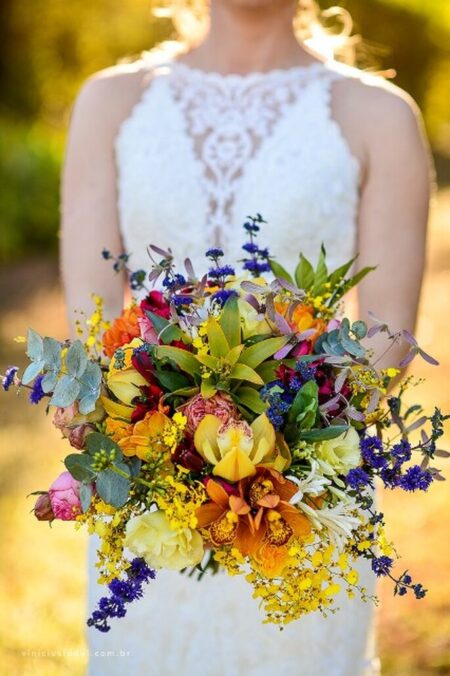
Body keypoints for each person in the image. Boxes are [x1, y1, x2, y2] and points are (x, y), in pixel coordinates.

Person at [60, 1, 433, 674]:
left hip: (301, 504)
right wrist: (169, 454)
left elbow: (390, 337)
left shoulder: (380, 116)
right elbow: (92, 328)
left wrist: (270, 457)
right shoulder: (110, 104)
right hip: (148, 493)